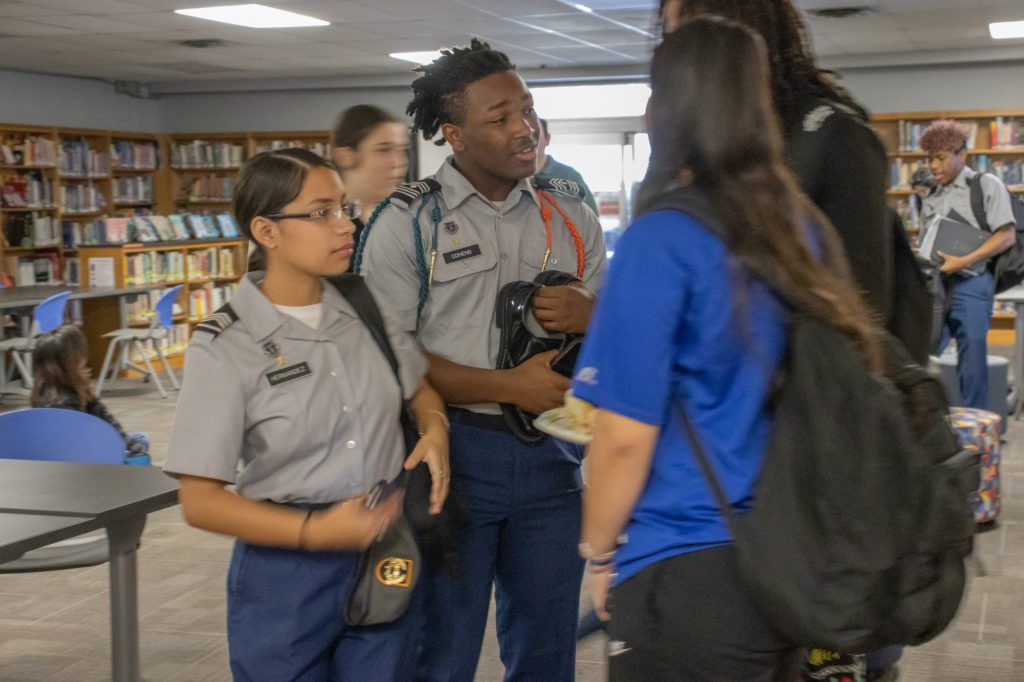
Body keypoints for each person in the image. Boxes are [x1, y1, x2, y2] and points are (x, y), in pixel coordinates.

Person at [574, 16, 880, 682]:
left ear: (665, 111)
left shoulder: (660, 240)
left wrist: (599, 555)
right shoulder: (804, 229)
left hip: (688, 567)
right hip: (793, 555)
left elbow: (624, 437)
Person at [660, 3, 900, 678]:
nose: (677, 42)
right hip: (718, 500)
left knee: (825, 660)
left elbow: (864, 334)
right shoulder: (697, 155)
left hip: (813, 484)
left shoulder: (831, 137)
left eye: (689, 21)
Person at [358, 39, 607, 681]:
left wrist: (595, 317)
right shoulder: (407, 221)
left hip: (555, 457)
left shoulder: (571, 214)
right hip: (452, 457)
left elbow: (614, 344)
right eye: (499, 118)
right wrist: (507, 386)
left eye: (526, 109)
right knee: (444, 648)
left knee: (546, 649)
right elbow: (387, 351)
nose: (524, 127)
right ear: (454, 134)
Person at [163, 148, 450, 681]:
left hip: (385, 547)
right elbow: (198, 503)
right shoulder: (226, 344)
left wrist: (435, 430)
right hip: (285, 568)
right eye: (321, 213)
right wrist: (318, 533)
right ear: (267, 232)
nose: (345, 225)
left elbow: (420, 389)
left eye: (343, 208)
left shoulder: (365, 305)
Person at [921, 120, 1017, 410]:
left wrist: (963, 260)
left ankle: (975, 429)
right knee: (926, 352)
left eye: (940, 157)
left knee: (972, 358)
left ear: (962, 155)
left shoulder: (986, 185)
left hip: (972, 283)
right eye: (929, 158)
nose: (933, 165)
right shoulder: (931, 196)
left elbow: (1006, 235)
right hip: (939, 283)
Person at [32, 324, 150, 465]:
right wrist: (133, 450)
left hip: (74, 454)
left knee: (141, 438)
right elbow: (80, 443)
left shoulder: (44, 391)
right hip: (86, 462)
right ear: (73, 360)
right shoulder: (64, 401)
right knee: (141, 447)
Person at [331, 104, 411, 261]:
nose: (399, 162)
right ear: (345, 156)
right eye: (384, 150)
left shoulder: (405, 223)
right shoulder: (329, 231)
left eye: (402, 150)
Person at [535, 117, 599, 214]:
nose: (529, 142)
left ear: (547, 139)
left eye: (536, 136)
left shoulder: (569, 176)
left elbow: (592, 218)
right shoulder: (513, 177)